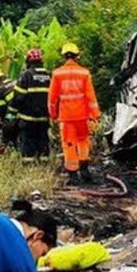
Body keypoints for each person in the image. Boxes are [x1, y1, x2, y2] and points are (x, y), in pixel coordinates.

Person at [48, 42, 100, 185]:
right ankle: (85, 171)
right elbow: (91, 97)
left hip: (66, 117)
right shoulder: (84, 73)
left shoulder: (57, 73)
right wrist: (95, 115)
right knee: (83, 141)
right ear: (77, 56)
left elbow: (52, 99)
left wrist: (53, 114)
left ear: (64, 56)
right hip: (82, 116)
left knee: (69, 143)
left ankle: (73, 175)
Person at [9, 48, 52, 161]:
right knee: (43, 139)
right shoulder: (49, 75)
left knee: (28, 141)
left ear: (28, 60)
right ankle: (44, 161)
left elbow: (18, 97)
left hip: (28, 118)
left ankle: (29, 163)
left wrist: (11, 113)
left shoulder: (26, 75)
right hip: (44, 117)